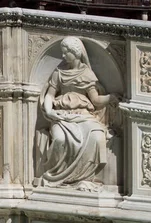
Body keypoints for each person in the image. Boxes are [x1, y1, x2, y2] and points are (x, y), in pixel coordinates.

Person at [34, 36, 119, 189]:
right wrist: (49, 111)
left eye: (66, 52)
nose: (63, 56)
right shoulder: (58, 73)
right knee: (59, 139)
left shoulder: (87, 74)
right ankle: (58, 176)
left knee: (97, 136)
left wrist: (111, 98)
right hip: (62, 115)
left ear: (76, 53)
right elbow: (49, 95)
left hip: (83, 115)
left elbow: (96, 100)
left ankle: (84, 177)